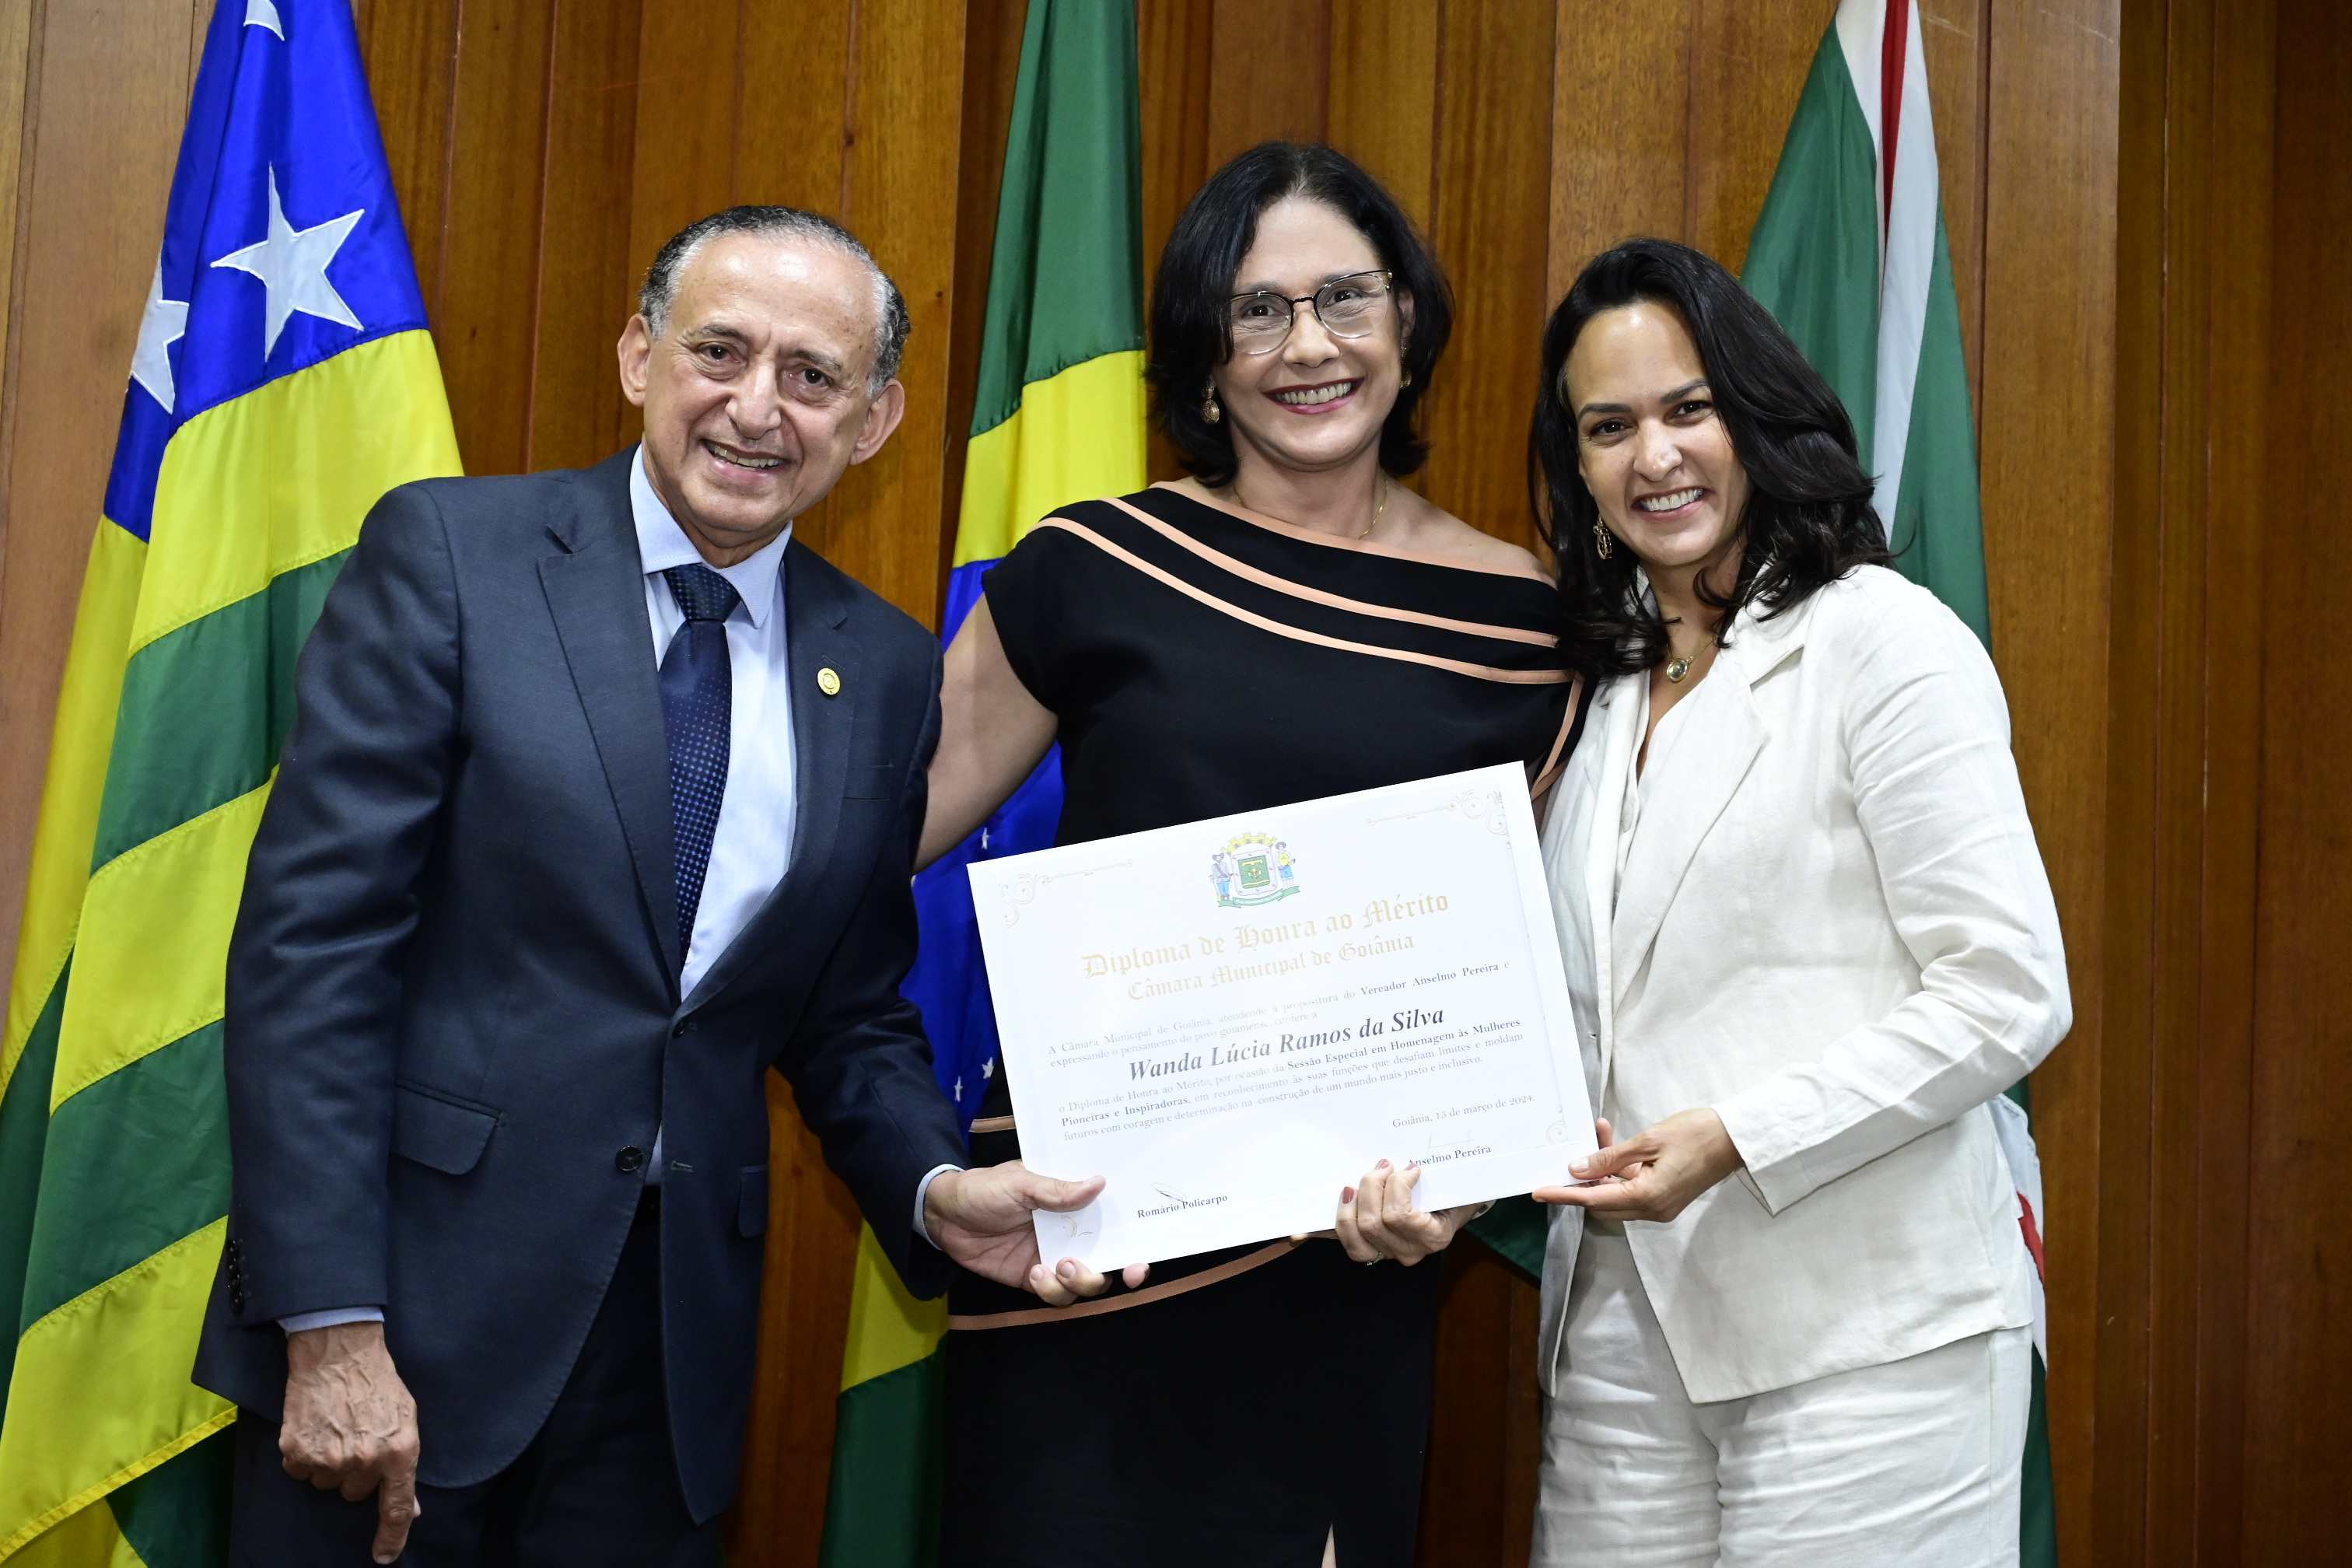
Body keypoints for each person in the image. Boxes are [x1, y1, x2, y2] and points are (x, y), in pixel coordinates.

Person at [195, 205, 1114, 1568]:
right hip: (403, 1328)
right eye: (719, 352)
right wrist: (329, 1327)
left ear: (872, 422)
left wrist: (933, 1188)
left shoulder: (884, 666)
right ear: (640, 357)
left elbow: (845, 1011)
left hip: (666, 1375)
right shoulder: (454, 558)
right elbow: (313, 957)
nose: (757, 408)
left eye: (813, 376)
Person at [920, 143, 1587, 1568]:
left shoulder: (1529, 626)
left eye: (1344, 297)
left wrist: (1469, 1175)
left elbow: (1547, 972)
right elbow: (861, 843)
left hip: (1346, 1272)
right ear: (1203, 356)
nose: (1309, 346)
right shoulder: (1094, 566)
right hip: (1083, 1258)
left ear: (1407, 316)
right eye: (1255, 311)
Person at [1524, 237, 2067, 1566]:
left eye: (1689, 409)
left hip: (1872, 1339)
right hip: (1618, 1342)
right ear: (1577, 468)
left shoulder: (1881, 637)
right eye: (1609, 427)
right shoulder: (1590, 695)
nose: (1655, 457)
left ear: (1758, 418)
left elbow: (2008, 989)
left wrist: (1739, 1137)